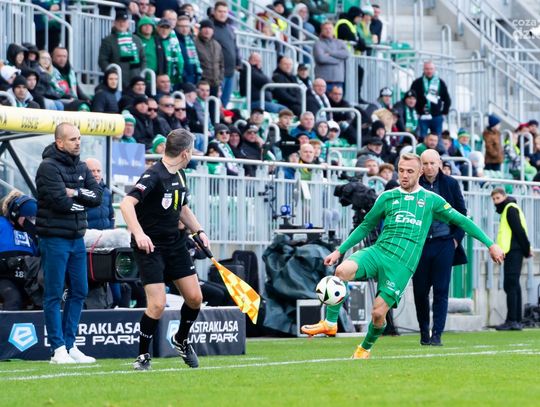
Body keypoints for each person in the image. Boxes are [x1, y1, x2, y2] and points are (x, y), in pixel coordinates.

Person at [300, 153, 505, 358]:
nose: (404, 175)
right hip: (378, 252)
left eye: (410, 171)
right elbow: (365, 225)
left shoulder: (431, 200)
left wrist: (490, 244)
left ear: (420, 172)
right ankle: (330, 323)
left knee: (378, 314)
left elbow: (463, 221)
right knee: (341, 271)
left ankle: (365, 348)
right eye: (401, 170)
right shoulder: (387, 197)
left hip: (401, 265)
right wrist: (339, 251)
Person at [120, 128, 209, 370]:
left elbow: (182, 208)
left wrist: (199, 230)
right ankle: (143, 356)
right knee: (157, 304)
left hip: (175, 244)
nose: (192, 155)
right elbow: (126, 204)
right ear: (185, 153)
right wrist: (139, 234)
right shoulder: (153, 175)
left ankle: (181, 339)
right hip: (151, 247)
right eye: (192, 151)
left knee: (195, 298)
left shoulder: (180, 174)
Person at [35, 123, 103, 364]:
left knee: (80, 290)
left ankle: (70, 344)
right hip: (54, 239)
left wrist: (74, 193)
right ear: (59, 142)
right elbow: (59, 203)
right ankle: (58, 349)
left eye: (79, 138)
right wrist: (81, 201)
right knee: (53, 293)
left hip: (77, 239)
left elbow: (98, 197)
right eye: (73, 139)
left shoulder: (82, 166)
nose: (78, 142)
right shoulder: (47, 167)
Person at [413, 149, 468, 346]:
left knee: (441, 290)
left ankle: (437, 334)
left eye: (432, 163)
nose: (429, 167)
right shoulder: (414, 184)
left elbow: (461, 213)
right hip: (420, 245)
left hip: (445, 242)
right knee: (420, 291)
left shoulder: (450, 184)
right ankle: (423, 332)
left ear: (439, 164)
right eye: (425, 163)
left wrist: (456, 240)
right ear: (420, 165)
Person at [491, 187, 531, 331]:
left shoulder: (510, 209)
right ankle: (516, 320)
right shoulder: (510, 208)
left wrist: (526, 249)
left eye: (498, 198)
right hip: (512, 251)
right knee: (514, 285)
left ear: (504, 196)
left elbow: (519, 231)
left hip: (514, 251)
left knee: (511, 285)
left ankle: (512, 320)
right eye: (494, 199)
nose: (496, 202)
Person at [0, 191, 39, 310]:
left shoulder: (32, 232)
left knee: (42, 300)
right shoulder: (2, 224)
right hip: (4, 278)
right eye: (28, 217)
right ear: (16, 214)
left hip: (27, 279)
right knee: (14, 299)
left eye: (33, 218)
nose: (31, 220)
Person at [98, 9, 146, 89]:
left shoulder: (137, 39)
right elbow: (102, 60)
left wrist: (140, 73)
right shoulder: (108, 40)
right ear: (114, 23)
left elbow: (143, 58)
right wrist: (112, 75)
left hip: (135, 81)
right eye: (119, 21)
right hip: (117, 82)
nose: (121, 24)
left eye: (124, 21)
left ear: (128, 23)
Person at [410, 61, 451, 139]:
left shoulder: (440, 82)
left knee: (437, 139)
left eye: (431, 69)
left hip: (436, 117)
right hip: (422, 116)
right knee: (422, 138)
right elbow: (411, 98)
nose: (429, 71)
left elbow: (447, 98)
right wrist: (416, 111)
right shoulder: (417, 83)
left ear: (434, 70)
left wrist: (444, 112)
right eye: (427, 69)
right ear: (423, 70)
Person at [313, 22, 349, 91]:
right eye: (326, 29)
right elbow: (321, 58)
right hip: (323, 82)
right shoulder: (318, 44)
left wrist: (330, 53)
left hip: (338, 80)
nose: (328, 30)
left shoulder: (340, 42)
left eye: (330, 28)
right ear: (322, 31)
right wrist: (339, 59)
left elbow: (346, 54)